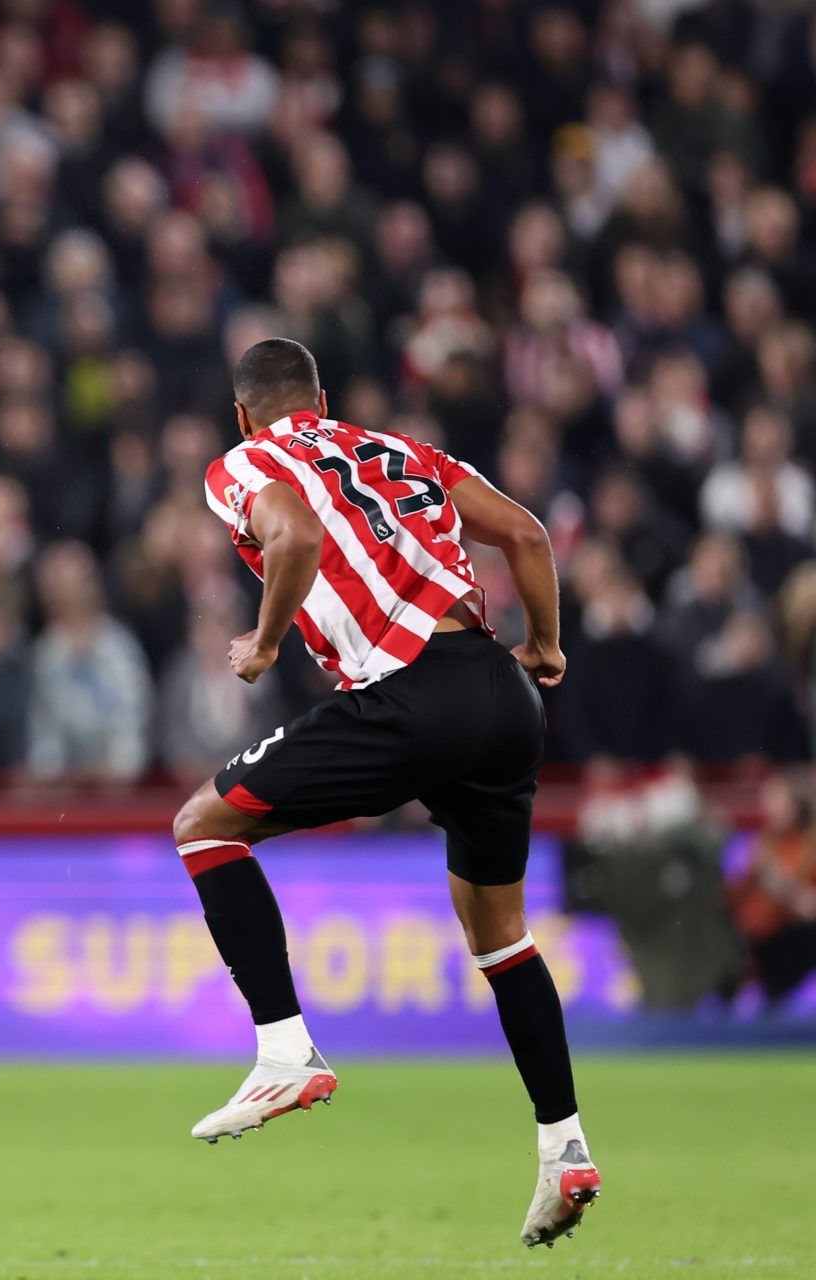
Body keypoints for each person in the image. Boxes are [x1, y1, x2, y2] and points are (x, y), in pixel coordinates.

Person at [175, 338, 598, 1250]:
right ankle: (565, 1150)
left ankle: (284, 1051)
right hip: (500, 690)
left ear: (244, 414)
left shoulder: (243, 463)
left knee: (204, 825)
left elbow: (294, 534)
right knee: (500, 935)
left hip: (407, 689)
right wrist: (548, 647)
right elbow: (525, 532)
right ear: (322, 398)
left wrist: (264, 640)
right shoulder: (403, 450)